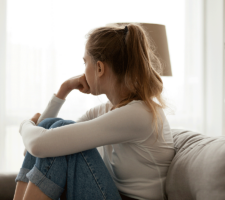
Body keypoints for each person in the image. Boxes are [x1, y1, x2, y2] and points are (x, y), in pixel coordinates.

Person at [13, 23, 175, 200]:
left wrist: (25, 125)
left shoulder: (139, 114)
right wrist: (64, 90)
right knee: (55, 128)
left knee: (60, 134)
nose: (83, 71)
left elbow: (38, 144)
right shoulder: (109, 110)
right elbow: (41, 143)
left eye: (85, 63)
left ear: (99, 68)